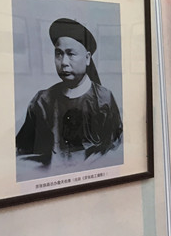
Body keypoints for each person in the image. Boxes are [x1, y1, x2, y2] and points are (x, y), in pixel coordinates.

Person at [15, 18, 122, 167]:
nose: (64, 62)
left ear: (87, 58)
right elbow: (22, 151)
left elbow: (115, 149)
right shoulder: (42, 101)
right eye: (58, 54)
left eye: (71, 54)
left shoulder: (103, 99)